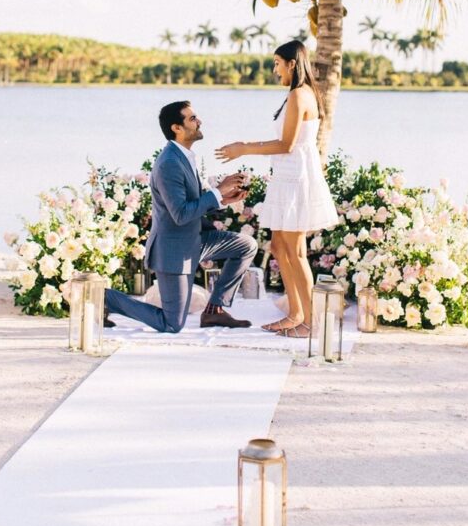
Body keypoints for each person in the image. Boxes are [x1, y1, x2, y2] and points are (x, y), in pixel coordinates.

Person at [216, 40, 338, 338]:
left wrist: (244, 148)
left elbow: (287, 144)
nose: (275, 70)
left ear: (292, 64)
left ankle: (311, 323)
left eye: (277, 63)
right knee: (280, 246)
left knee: (295, 250)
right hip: (287, 176)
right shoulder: (296, 94)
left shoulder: (299, 95)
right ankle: (296, 314)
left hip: (296, 179)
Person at [104, 100, 257, 333]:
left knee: (246, 245)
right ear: (177, 127)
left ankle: (214, 310)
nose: (199, 121)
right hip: (174, 250)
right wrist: (218, 191)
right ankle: (106, 299)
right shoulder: (169, 163)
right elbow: (181, 214)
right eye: (192, 118)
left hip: (197, 240)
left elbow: (190, 205)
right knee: (172, 324)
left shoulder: (185, 156)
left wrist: (224, 200)